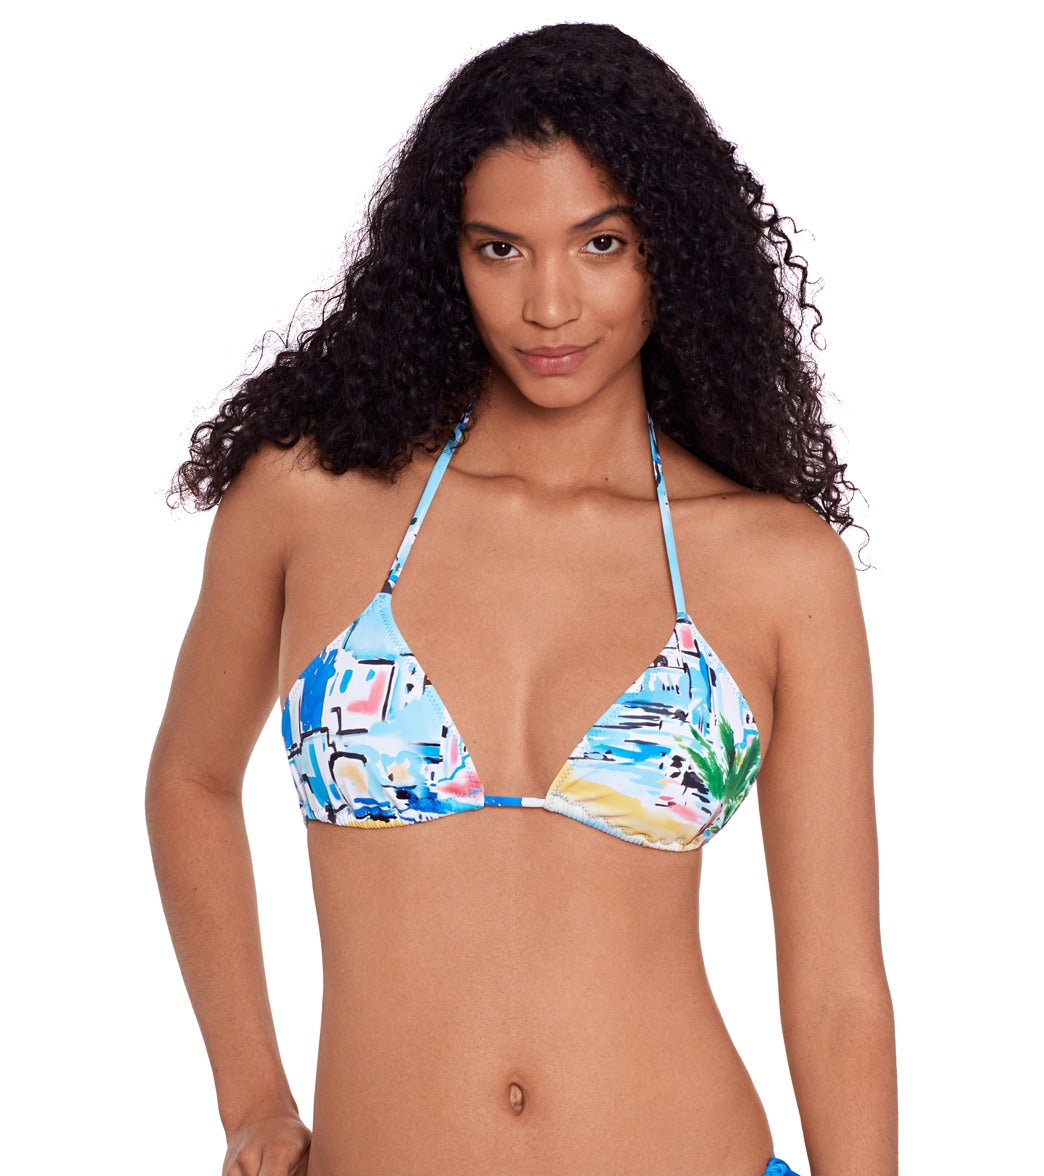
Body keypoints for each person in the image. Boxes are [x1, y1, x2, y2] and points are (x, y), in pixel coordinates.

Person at [146, 22, 896, 1176]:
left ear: (672, 247)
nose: (550, 305)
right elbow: (192, 782)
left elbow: (838, 988)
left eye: (601, 243)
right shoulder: (308, 501)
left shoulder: (777, 566)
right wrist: (253, 1100)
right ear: (443, 256)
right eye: (500, 249)